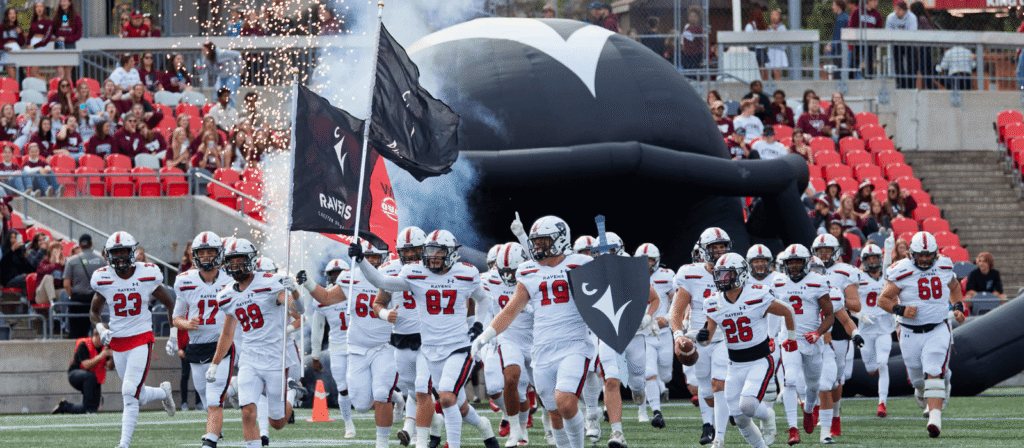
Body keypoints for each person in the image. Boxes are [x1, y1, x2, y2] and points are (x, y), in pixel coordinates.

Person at [353, 231, 498, 448]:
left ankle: (433, 441)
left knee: (442, 396)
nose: (432, 257)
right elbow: (380, 281)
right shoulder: (414, 272)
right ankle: (481, 427)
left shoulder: (466, 273)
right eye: (430, 252)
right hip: (427, 347)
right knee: (452, 402)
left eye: (438, 252)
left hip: (456, 346)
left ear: (450, 253)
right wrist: (361, 260)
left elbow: (482, 300)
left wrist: (477, 326)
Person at [89, 231, 177, 448]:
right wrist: (101, 327)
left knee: (129, 391)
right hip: (118, 341)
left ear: (132, 253)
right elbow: (94, 311)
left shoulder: (147, 273)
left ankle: (124, 444)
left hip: (141, 338)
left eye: (123, 252)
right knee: (137, 393)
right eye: (114, 253)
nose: (119, 257)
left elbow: (170, 303)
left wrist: (174, 334)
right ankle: (163, 393)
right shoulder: (103, 277)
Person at [701, 252, 797, 448]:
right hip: (734, 364)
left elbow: (787, 310)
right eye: (720, 275)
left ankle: (768, 414)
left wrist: (791, 338)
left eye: (728, 274)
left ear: (742, 274)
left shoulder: (757, 293)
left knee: (748, 405)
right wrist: (700, 338)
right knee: (739, 417)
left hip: (759, 360)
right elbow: (707, 337)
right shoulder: (713, 302)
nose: (723, 279)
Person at [208, 239, 294, 448]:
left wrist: (295, 294)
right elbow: (227, 334)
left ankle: (291, 393)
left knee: (277, 422)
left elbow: (294, 309)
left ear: (251, 260)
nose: (236, 265)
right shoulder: (226, 295)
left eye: (240, 260)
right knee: (247, 411)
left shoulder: (271, 281)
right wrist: (215, 363)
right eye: (232, 261)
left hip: (274, 358)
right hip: (249, 359)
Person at [878, 231, 964, 438]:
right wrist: (900, 310)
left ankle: (935, 420)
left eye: (928, 255)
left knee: (933, 369)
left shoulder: (944, 265)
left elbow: (954, 286)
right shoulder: (901, 270)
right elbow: (883, 300)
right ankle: (926, 388)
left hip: (938, 327)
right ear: (910, 254)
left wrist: (958, 305)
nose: (925, 259)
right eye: (920, 255)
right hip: (909, 332)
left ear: (935, 253)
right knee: (918, 379)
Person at [370, 227, 440, 446]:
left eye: (414, 250)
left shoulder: (435, 267)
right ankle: (434, 424)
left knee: (422, 388)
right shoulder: (391, 268)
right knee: (413, 389)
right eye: (405, 251)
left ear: (424, 249)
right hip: (401, 338)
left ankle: (420, 439)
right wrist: (384, 314)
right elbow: (377, 303)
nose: (410, 256)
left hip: (428, 338)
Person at [170, 232, 235, 448]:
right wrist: (187, 324)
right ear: (195, 255)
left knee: (215, 397)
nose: (206, 257)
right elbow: (176, 317)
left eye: (210, 253)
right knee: (205, 395)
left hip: (222, 344)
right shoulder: (184, 280)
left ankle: (210, 440)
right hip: (196, 345)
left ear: (219, 254)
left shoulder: (231, 280)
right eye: (202, 253)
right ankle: (217, 426)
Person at [670, 227, 732, 445]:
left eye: (722, 246)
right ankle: (712, 422)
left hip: (726, 338)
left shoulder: (734, 269)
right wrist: (679, 335)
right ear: (704, 250)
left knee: (719, 384)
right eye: (714, 247)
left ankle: (719, 438)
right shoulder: (690, 274)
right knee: (705, 389)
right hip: (700, 339)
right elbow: (676, 311)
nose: (719, 251)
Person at [772, 244, 834, 445]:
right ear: (785, 264)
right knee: (790, 380)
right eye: (791, 262)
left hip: (812, 341)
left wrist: (818, 333)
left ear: (806, 263)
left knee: (814, 385)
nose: (795, 265)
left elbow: (830, 315)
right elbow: (767, 310)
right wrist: (771, 336)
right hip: (789, 338)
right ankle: (793, 428)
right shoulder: (777, 282)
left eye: (798, 261)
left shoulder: (818, 281)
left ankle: (809, 410)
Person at [811, 234, 864, 439]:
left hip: (838, 326)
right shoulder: (805, 269)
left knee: (836, 376)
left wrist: (835, 298)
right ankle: (815, 408)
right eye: (820, 251)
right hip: (811, 325)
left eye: (827, 250)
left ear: (836, 252)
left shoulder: (844, 272)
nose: (824, 255)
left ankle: (835, 416)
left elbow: (856, 305)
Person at [309, 258, 358, 438]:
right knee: (342, 387)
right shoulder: (325, 298)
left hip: (358, 345)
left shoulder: (357, 292)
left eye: (340, 274)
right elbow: (318, 328)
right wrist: (315, 355)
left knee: (361, 387)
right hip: (337, 346)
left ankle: (397, 399)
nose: (337, 278)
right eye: (333, 275)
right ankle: (348, 425)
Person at [851, 244, 893, 418]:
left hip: (884, 327)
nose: (873, 261)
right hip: (866, 328)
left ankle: (882, 403)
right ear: (864, 261)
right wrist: (860, 316)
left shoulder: (887, 276)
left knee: (883, 363)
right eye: (870, 259)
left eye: (876, 258)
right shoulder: (858, 278)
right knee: (870, 368)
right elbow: (850, 304)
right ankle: (874, 371)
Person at [636, 243, 675, 430]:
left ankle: (661, 385)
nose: (646, 263)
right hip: (644, 334)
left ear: (656, 260)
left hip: (664, 333)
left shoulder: (667, 276)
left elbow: (679, 302)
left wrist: (667, 319)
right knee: (649, 372)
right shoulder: (630, 277)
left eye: (649, 259)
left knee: (665, 375)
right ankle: (657, 413)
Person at [53, 330, 113, 414]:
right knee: (90, 377)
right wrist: (101, 355)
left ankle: (64, 406)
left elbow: (110, 367)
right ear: (96, 336)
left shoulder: (106, 346)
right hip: (76, 375)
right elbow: (85, 365)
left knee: (89, 408)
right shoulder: (84, 344)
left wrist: (112, 357)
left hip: (93, 379)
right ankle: (89, 407)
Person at [62, 234, 105, 338]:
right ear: (91, 244)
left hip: (78, 300)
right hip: (96, 299)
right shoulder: (101, 260)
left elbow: (66, 284)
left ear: (80, 245)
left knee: (76, 333)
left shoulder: (72, 260)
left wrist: (72, 295)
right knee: (100, 330)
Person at [885, 1, 917, 89]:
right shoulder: (891, 17)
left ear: (904, 11)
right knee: (898, 64)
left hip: (909, 44)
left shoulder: (911, 17)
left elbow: (912, 32)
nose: (897, 12)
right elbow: (888, 31)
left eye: (899, 10)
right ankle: (900, 83)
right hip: (896, 44)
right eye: (896, 10)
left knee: (911, 64)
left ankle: (911, 84)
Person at [201, 42, 243, 107]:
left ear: (209, 49)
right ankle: (217, 110)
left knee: (229, 95)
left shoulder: (221, 53)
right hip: (221, 77)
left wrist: (240, 68)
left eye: (204, 50)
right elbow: (202, 71)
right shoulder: (207, 59)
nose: (202, 52)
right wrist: (198, 68)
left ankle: (229, 111)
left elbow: (237, 54)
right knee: (216, 94)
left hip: (232, 75)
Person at [848, 0, 884, 78]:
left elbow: (879, 29)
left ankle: (870, 80)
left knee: (870, 64)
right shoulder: (857, 11)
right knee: (854, 63)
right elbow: (851, 26)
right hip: (857, 43)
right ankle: (850, 80)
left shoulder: (877, 15)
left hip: (870, 44)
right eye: (874, 1)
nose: (876, 3)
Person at [911, 2, 937, 89]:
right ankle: (932, 87)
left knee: (925, 70)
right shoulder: (924, 18)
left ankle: (933, 87)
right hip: (925, 47)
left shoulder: (920, 19)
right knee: (927, 70)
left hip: (923, 48)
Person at [0, 7, 25, 79]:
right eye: (10, 13)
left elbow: (22, 43)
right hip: (7, 53)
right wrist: (3, 47)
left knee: (17, 76)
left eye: (14, 13)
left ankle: (15, 89)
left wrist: (20, 33)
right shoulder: (2, 27)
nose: (13, 15)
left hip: (16, 51)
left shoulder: (17, 27)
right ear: (7, 15)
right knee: (12, 77)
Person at [744, 8, 768, 80]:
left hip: (757, 49)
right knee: (761, 67)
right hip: (756, 49)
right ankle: (762, 80)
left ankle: (762, 81)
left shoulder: (753, 26)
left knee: (761, 67)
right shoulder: (752, 26)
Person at [765, 9, 789, 81]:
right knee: (771, 70)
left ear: (779, 16)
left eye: (776, 15)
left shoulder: (782, 27)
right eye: (772, 15)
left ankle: (778, 82)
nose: (773, 17)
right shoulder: (769, 27)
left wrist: (776, 30)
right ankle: (773, 80)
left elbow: (784, 38)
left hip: (779, 50)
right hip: (771, 50)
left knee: (778, 69)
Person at [825, 0, 849, 69]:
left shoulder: (841, 19)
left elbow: (837, 36)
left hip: (839, 51)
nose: (832, 7)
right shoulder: (844, 16)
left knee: (838, 72)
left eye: (833, 5)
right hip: (841, 49)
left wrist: (831, 47)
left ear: (838, 6)